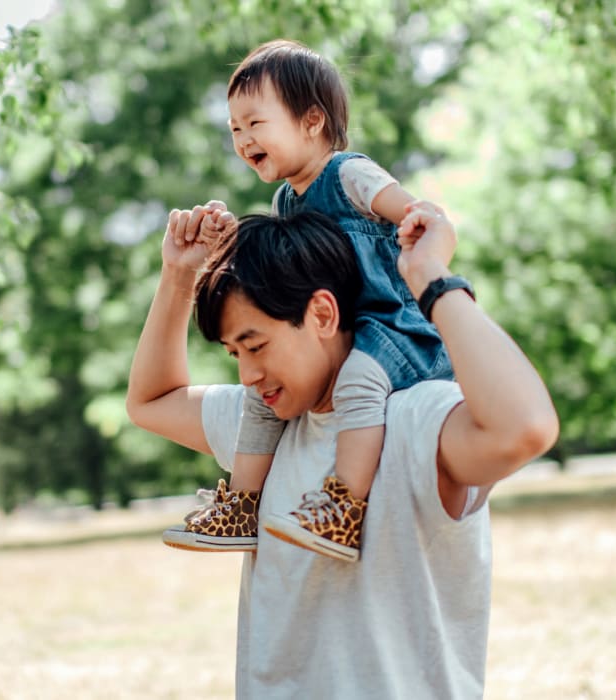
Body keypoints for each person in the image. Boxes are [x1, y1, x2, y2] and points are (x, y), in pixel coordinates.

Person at [126, 201, 558, 697]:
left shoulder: (414, 420)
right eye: (234, 354)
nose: (247, 375)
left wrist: (430, 276)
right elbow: (149, 400)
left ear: (323, 314)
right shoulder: (262, 431)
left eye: (257, 345)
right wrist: (179, 276)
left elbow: (526, 428)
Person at [161, 38, 460, 562]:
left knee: (360, 383)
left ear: (312, 121)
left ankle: (343, 507)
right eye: (234, 128)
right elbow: (280, 276)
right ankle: (243, 505)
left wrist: (424, 228)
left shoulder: (348, 174)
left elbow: (410, 209)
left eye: (255, 123)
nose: (242, 138)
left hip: (390, 325)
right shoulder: (284, 200)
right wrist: (222, 241)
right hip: (335, 328)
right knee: (259, 395)